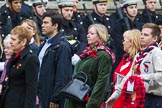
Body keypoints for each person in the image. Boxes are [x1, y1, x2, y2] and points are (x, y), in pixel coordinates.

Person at [106, 23, 162, 108]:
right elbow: (129, 76)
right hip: (139, 96)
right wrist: (115, 95)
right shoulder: (139, 55)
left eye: (146, 35)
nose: (142, 37)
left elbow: (161, 75)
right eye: (142, 34)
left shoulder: (156, 52)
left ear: (154, 38)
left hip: (153, 98)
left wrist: (143, 77)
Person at [64, 24, 115, 108]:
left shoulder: (104, 55)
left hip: (84, 100)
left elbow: (101, 82)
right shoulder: (86, 53)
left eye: (92, 34)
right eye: (88, 33)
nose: (88, 36)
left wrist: (92, 104)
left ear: (100, 36)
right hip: (73, 97)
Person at [37, 11, 73, 108]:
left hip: (51, 96)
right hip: (40, 93)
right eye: (42, 22)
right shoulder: (44, 44)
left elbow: (63, 75)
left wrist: (56, 98)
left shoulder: (62, 46)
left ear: (55, 25)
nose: (42, 25)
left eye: (46, 23)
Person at [0, 26, 39, 108]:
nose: (10, 42)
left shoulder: (30, 59)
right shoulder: (14, 56)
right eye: (11, 39)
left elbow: (31, 88)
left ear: (23, 42)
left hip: (20, 103)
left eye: (13, 39)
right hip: (8, 101)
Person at [112, 0, 143, 68]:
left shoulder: (140, 24)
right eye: (131, 8)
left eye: (135, 7)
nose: (134, 10)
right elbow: (119, 44)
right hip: (123, 57)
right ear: (125, 10)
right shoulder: (119, 24)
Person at [57, 0, 87, 65]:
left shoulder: (77, 25)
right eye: (66, 10)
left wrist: (78, 55)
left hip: (76, 58)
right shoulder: (56, 26)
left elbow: (84, 41)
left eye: (71, 10)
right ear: (60, 10)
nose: (69, 13)